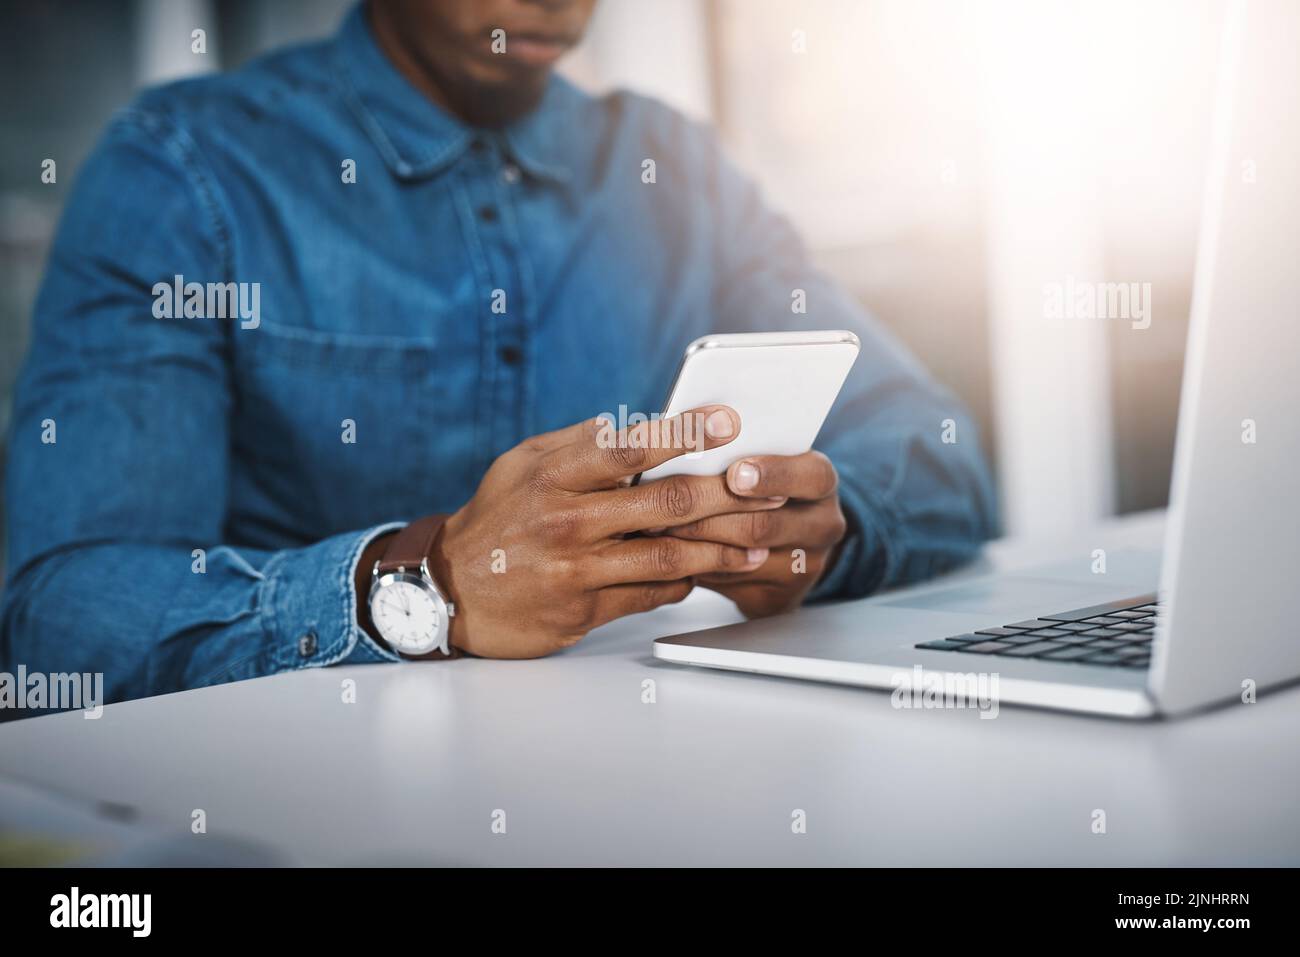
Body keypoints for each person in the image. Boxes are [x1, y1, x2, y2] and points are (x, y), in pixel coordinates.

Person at [1, 0, 995, 704]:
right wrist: (420, 588)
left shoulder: (678, 171)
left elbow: (942, 454)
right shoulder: (186, 169)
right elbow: (60, 615)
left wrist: (819, 531)